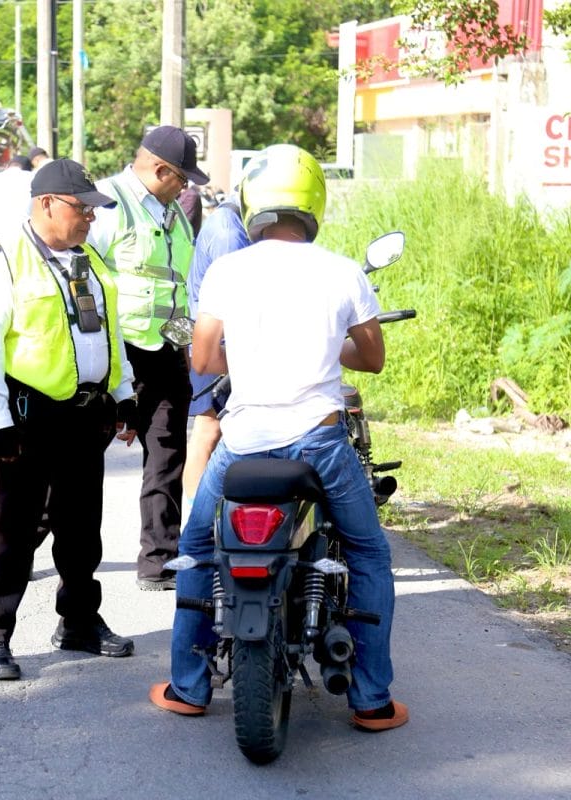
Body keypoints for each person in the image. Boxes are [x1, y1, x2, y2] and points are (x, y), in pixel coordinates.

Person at [149, 144, 408, 732]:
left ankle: (189, 687)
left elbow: (207, 357)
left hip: (243, 441)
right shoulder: (342, 270)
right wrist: (324, 345)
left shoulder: (226, 269)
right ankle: (370, 700)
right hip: (319, 442)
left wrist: (249, 354)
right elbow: (372, 359)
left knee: (195, 546)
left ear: (252, 204)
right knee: (367, 553)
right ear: (314, 203)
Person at [0, 158, 140, 681]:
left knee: (81, 526)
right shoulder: (3, 261)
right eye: (81, 208)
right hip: (25, 413)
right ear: (46, 204)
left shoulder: (87, 259)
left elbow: (107, 333)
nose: (90, 218)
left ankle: (80, 622)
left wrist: (125, 394)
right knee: (13, 528)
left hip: (87, 413)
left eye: (93, 210)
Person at [86, 125, 209, 591]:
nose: (186, 186)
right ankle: (25, 540)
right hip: (118, 355)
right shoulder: (109, 204)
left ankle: (159, 561)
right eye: (182, 177)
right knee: (77, 463)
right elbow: (87, 279)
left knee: (166, 456)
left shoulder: (174, 212)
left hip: (166, 351)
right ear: (160, 169)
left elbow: (177, 284)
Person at [179, 189, 250, 511]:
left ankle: (202, 520)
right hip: (219, 343)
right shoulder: (229, 232)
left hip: (212, 338)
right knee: (209, 430)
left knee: (209, 431)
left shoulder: (225, 221)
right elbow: (237, 298)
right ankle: (197, 521)